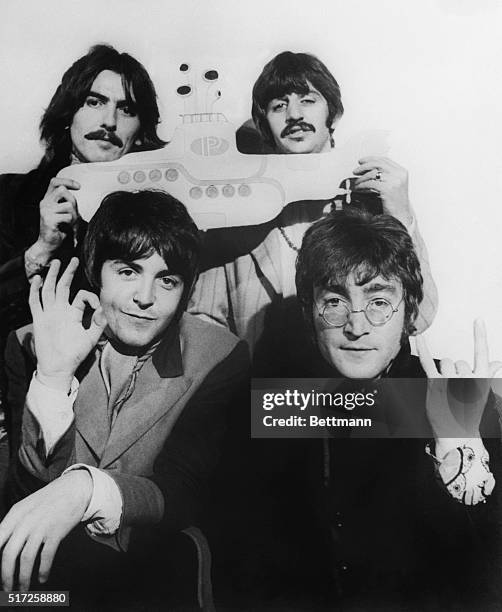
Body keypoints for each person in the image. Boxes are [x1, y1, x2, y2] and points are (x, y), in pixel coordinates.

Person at [1, 190, 249, 606]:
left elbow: (185, 490)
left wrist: (87, 489)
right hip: (44, 591)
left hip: (151, 582)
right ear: (97, 272)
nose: (146, 297)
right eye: (129, 271)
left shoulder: (219, 354)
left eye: (167, 279)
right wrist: (52, 377)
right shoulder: (29, 343)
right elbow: (25, 494)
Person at [261, 209, 501, 609]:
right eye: (335, 301)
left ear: (408, 312)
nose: (356, 325)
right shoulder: (280, 405)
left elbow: (487, 584)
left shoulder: (462, 398)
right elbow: (248, 567)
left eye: (378, 301)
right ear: (308, 312)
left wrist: (461, 451)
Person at [190, 51, 438, 364]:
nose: (294, 114)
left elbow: (420, 317)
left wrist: (400, 216)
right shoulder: (238, 212)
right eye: (279, 105)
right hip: (271, 401)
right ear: (264, 122)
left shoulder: (374, 200)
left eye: (308, 99)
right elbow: (202, 323)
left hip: (361, 398)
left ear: (331, 113)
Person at [0, 44, 165, 483]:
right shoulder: (9, 198)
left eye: (125, 110)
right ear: (68, 113)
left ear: (140, 131)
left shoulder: (152, 220)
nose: (108, 122)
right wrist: (40, 249)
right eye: (94, 102)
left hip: (113, 442)